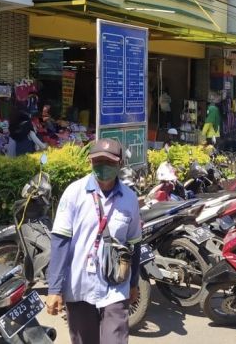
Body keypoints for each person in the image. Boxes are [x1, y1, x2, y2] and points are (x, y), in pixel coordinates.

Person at [46, 138, 142, 344]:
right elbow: (60, 242)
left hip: (116, 284)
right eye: (97, 161)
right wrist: (54, 289)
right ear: (90, 163)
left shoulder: (130, 198)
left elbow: (134, 243)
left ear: (120, 164)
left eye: (108, 162)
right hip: (79, 283)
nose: (102, 167)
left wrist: (133, 283)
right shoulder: (74, 193)